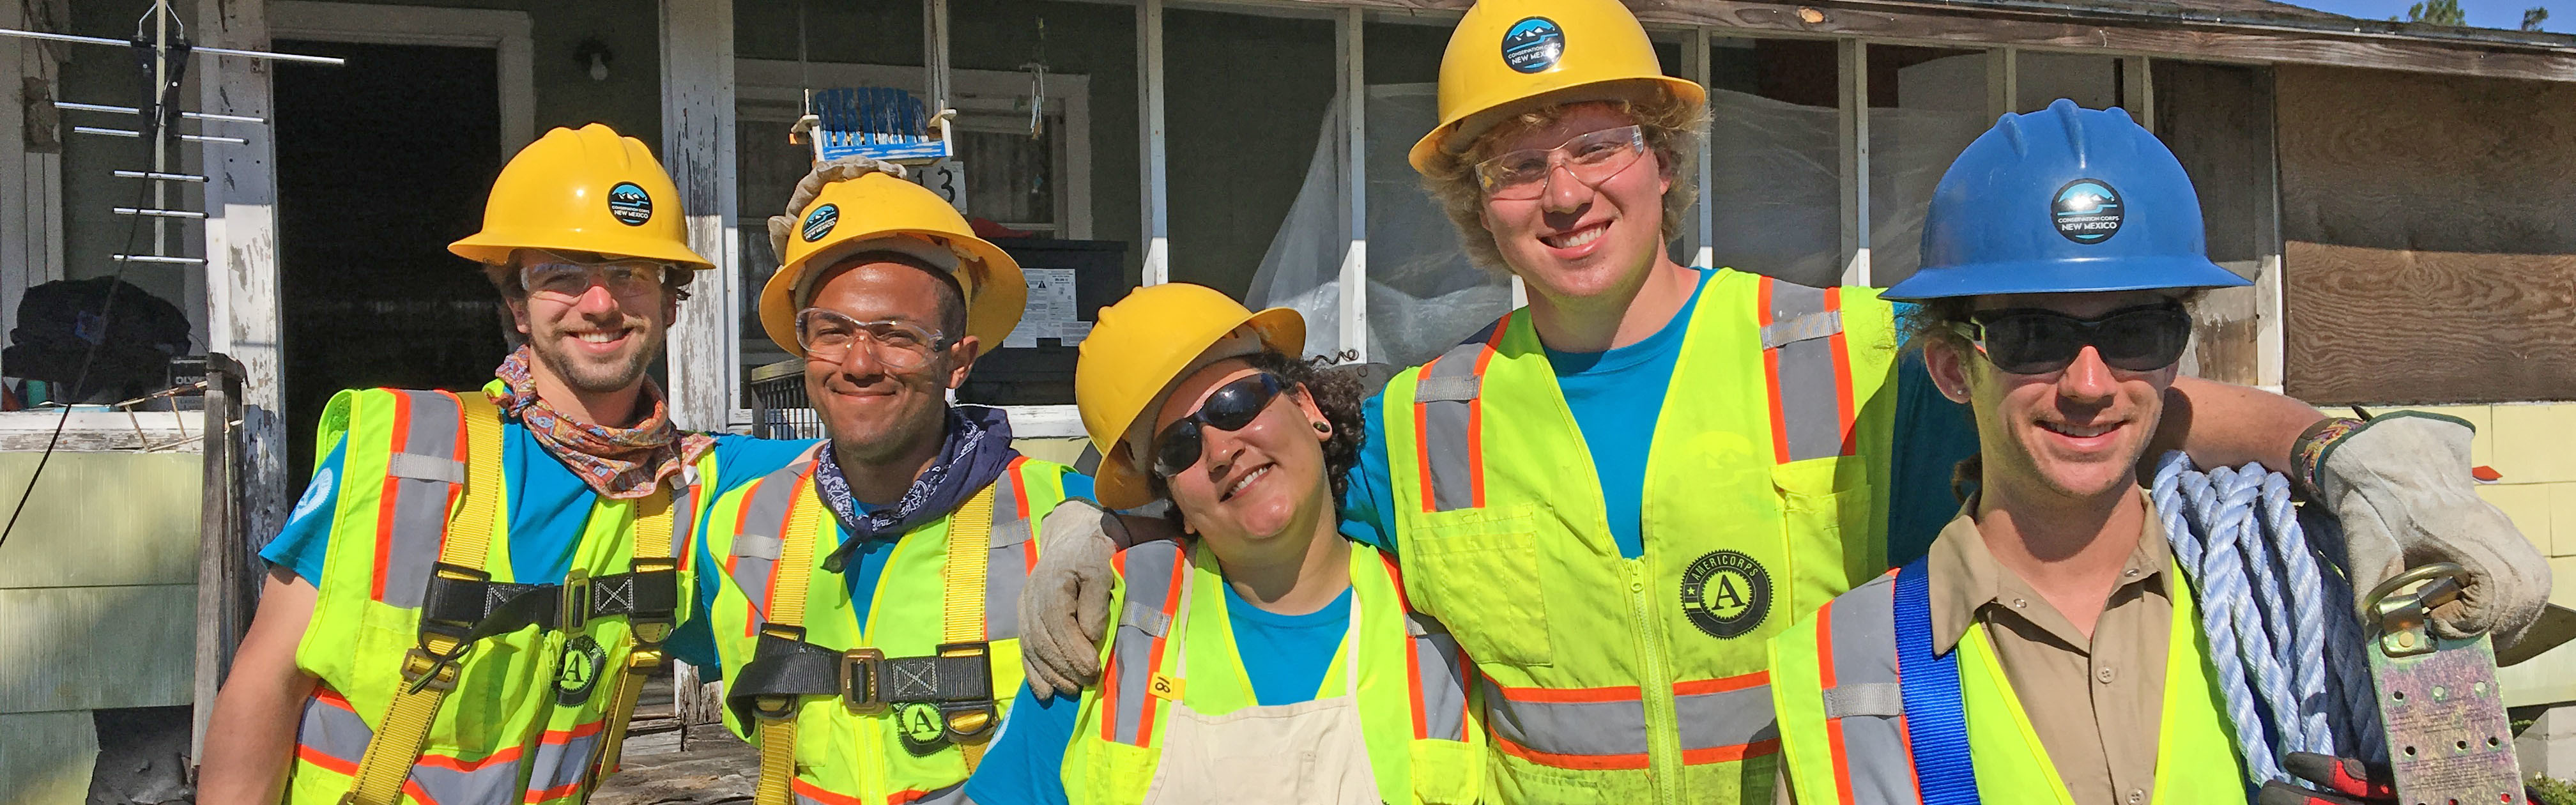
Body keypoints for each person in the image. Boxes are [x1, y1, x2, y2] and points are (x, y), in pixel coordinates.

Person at [1015, 0, 2549, 802]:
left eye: (1596, 140)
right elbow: (1256, 506)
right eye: (1517, 162)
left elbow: (2091, 388)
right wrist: (1111, 510)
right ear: (1474, 210)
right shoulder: (1418, 427)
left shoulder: (1845, 350)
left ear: (1662, 158)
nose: (1565, 191)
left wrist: (2332, 444)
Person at [1763, 99, 2504, 805]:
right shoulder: (1838, 666)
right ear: (1956, 367)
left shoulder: (2313, 600)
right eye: (2035, 338)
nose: (2090, 385)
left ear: (2175, 353)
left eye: (2135, 334)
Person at [198, 123, 755, 804]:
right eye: (563, 276)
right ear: (517, 305)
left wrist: (833, 269)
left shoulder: (695, 484)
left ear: (671, 301)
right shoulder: (401, 448)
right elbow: (264, 684)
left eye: (630, 274)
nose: (601, 302)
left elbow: (884, 462)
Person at [960, 283, 1482, 805]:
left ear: (1308, 408)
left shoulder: (1448, 615)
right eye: (1179, 447)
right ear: (1174, 503)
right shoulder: (1104, 625)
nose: (1220, 450)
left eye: (1235, 405)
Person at [676, 166, 1089, 805]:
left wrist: (1122, 524)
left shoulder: (1065, 519)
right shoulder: (740, 525)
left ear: (959, 359)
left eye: (898, 335)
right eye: (832, 332)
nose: (860, 363)